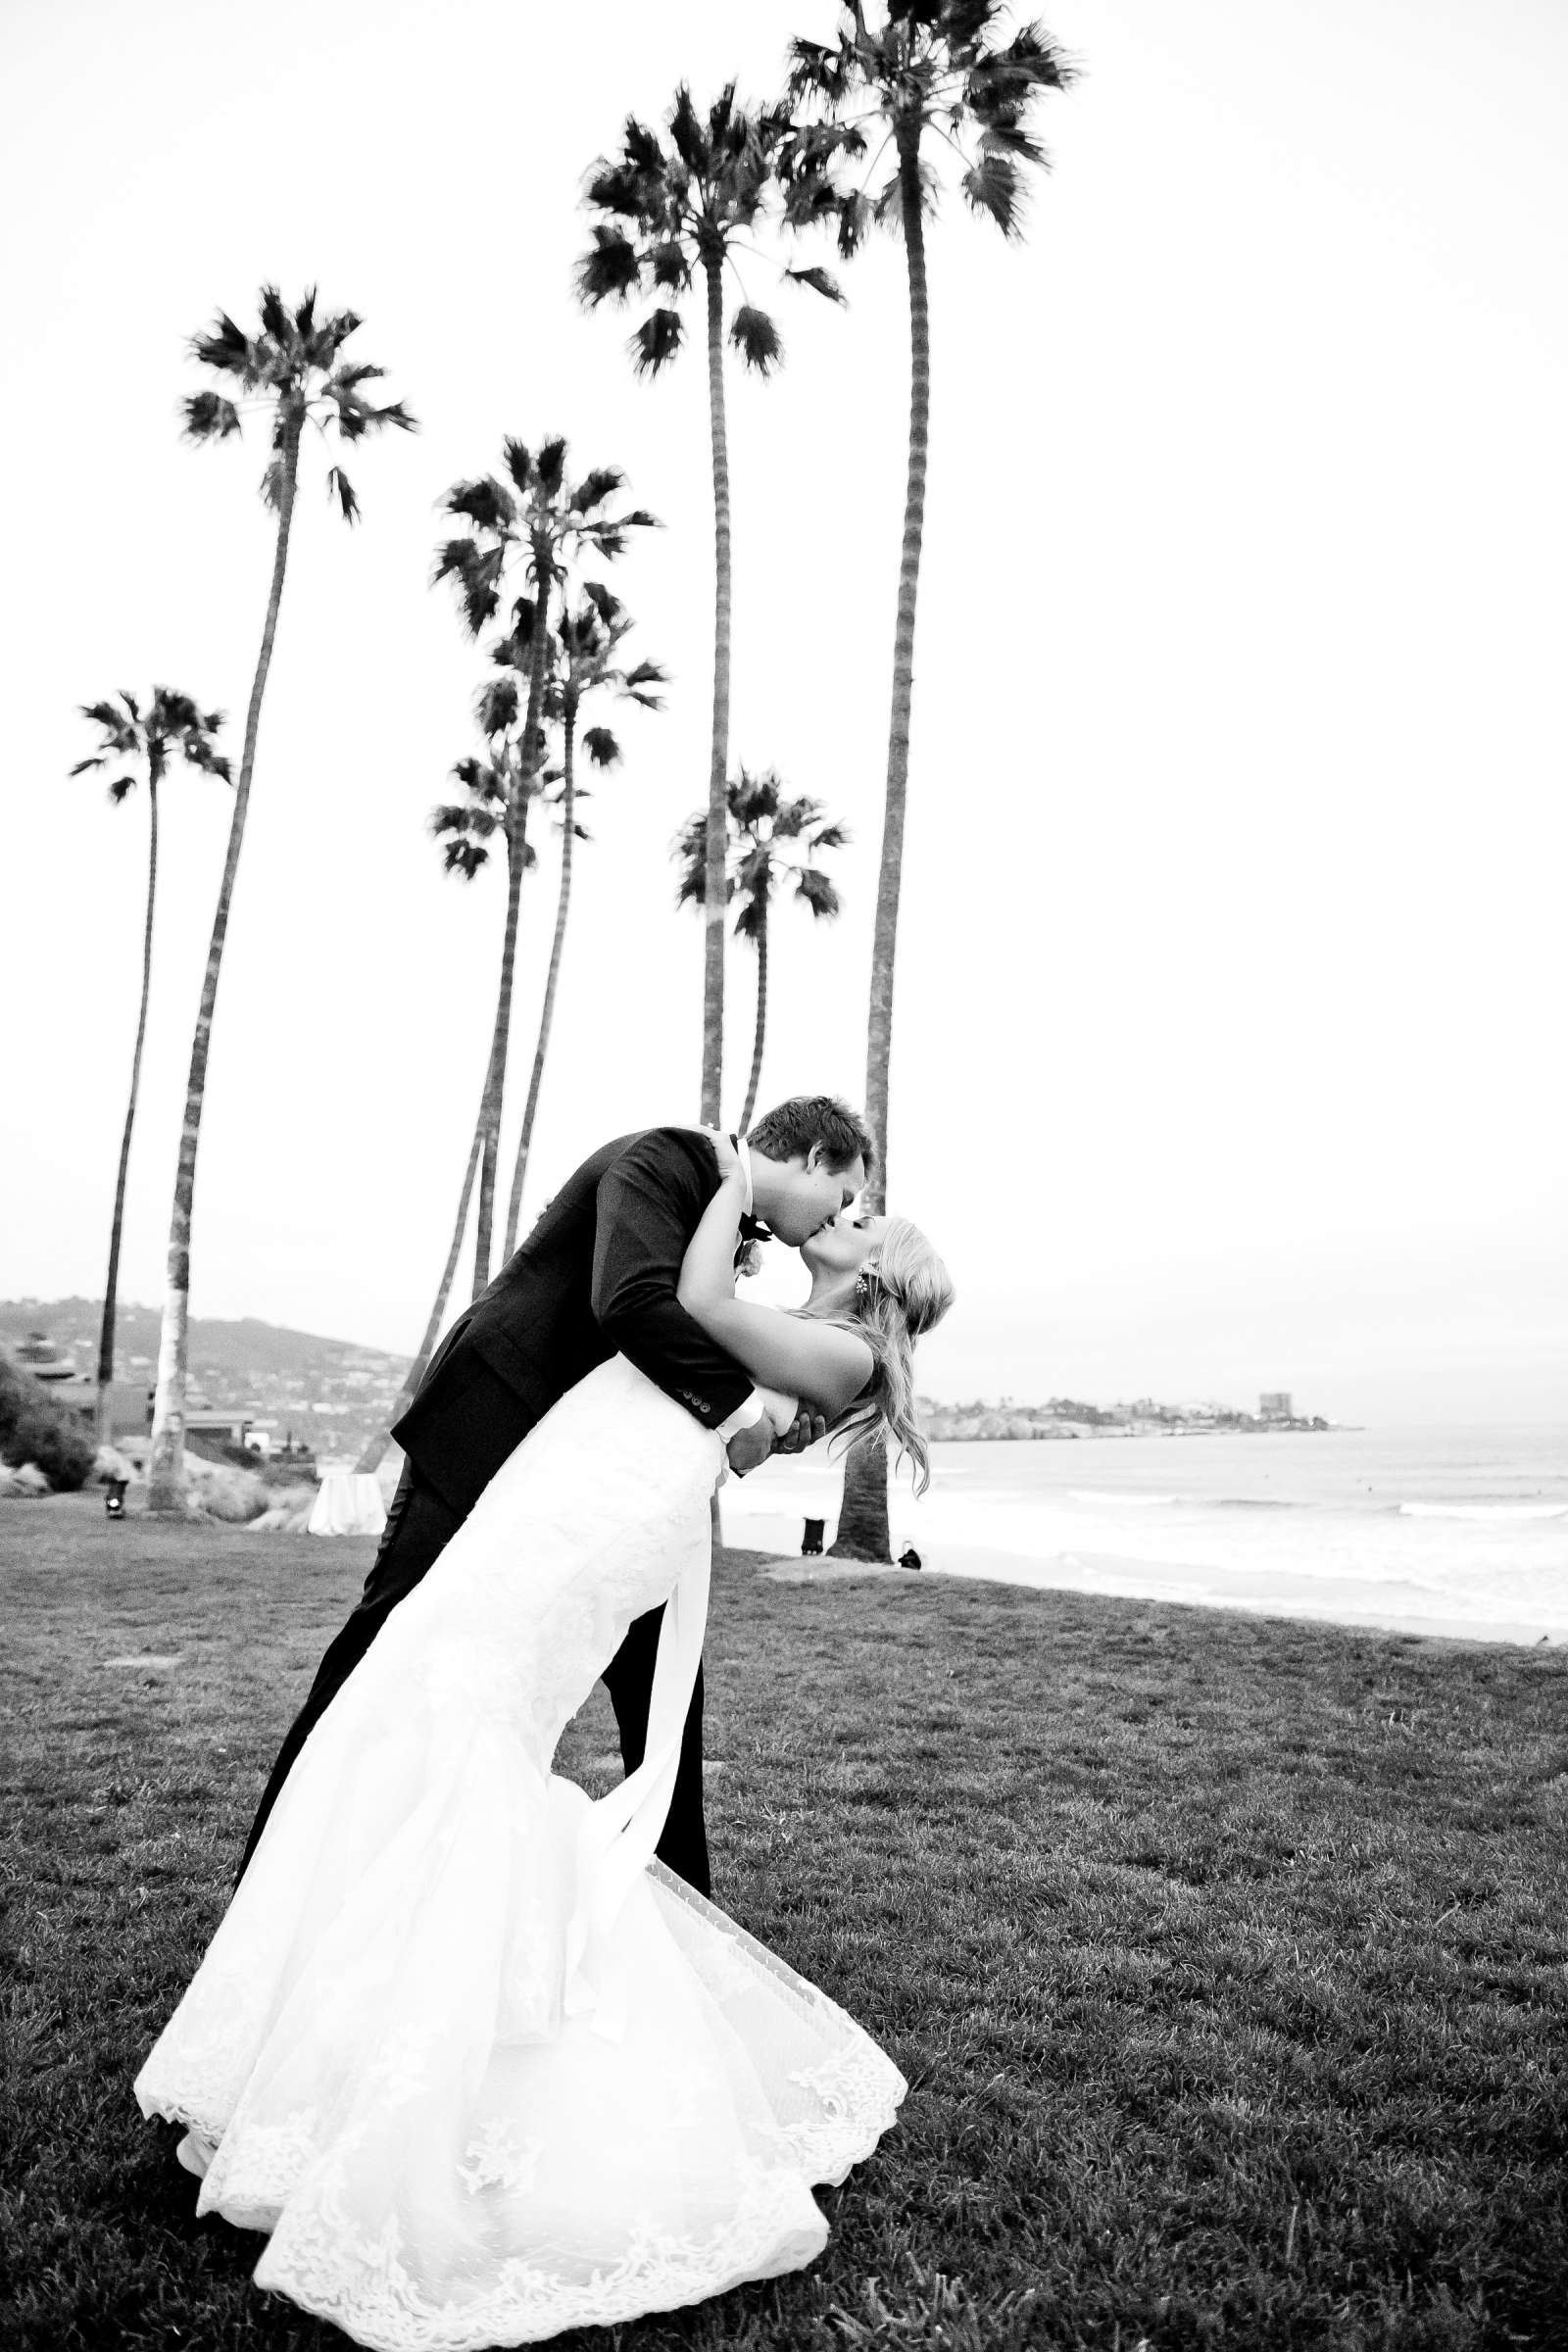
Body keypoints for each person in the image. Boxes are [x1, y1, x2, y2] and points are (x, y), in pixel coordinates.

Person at [135, 1127, 954, 2347]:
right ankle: (336, 1969)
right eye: (851, 1192)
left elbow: (678, 1304)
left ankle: (428, 2021)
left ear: (874, 1273)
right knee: (424, 1684)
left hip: (600, 1510)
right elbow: (659, 1314)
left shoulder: (823, 1340)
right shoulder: (699, 1199)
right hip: (568, 1476)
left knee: (464, 1705)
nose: (849, 1211)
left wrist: (733, 1186)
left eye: (860, 1217)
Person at [236, 1099, 874, 1897]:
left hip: (597, 1490)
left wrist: (779, 1403)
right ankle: (271, 1877)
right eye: (841, 1193)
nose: (836, 1214)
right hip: (486, 1431)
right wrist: (742, 1411)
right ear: (815, 1158)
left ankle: (685, 1913)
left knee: (666, 1689)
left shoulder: (712, 1203)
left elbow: (693, 1333)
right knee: (382, 1635)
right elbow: (631, 1304)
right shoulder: (668, 1159)